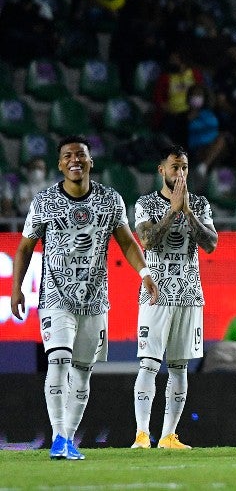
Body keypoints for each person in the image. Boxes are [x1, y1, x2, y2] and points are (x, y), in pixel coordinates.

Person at [10, 136, 159, 460]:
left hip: (94, 302)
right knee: (58, 360)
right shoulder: (45, 201)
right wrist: (16, 288)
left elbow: (128, 243)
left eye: (81, 154)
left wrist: (145, 273)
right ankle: (59, 438)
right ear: (60, 164)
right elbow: (24, 247)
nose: (75, 159)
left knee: (81, 372)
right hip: (55, 297)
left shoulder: (110, 200)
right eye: (68, 155)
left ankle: (67, 439)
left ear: (91, 162)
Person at [131, 145, 218, 450]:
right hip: (156, 293)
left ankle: (169, 435)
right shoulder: (145, 204)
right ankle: (142, 434)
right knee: (149, 365)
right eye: (174, 167)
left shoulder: (200, 204)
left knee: (179, 367)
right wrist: (171, 212)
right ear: (161, 170)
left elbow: (210, 244)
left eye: (184, 167)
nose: (180, 173)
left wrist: (188, 212)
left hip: (190, 293)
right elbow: (147, 241)